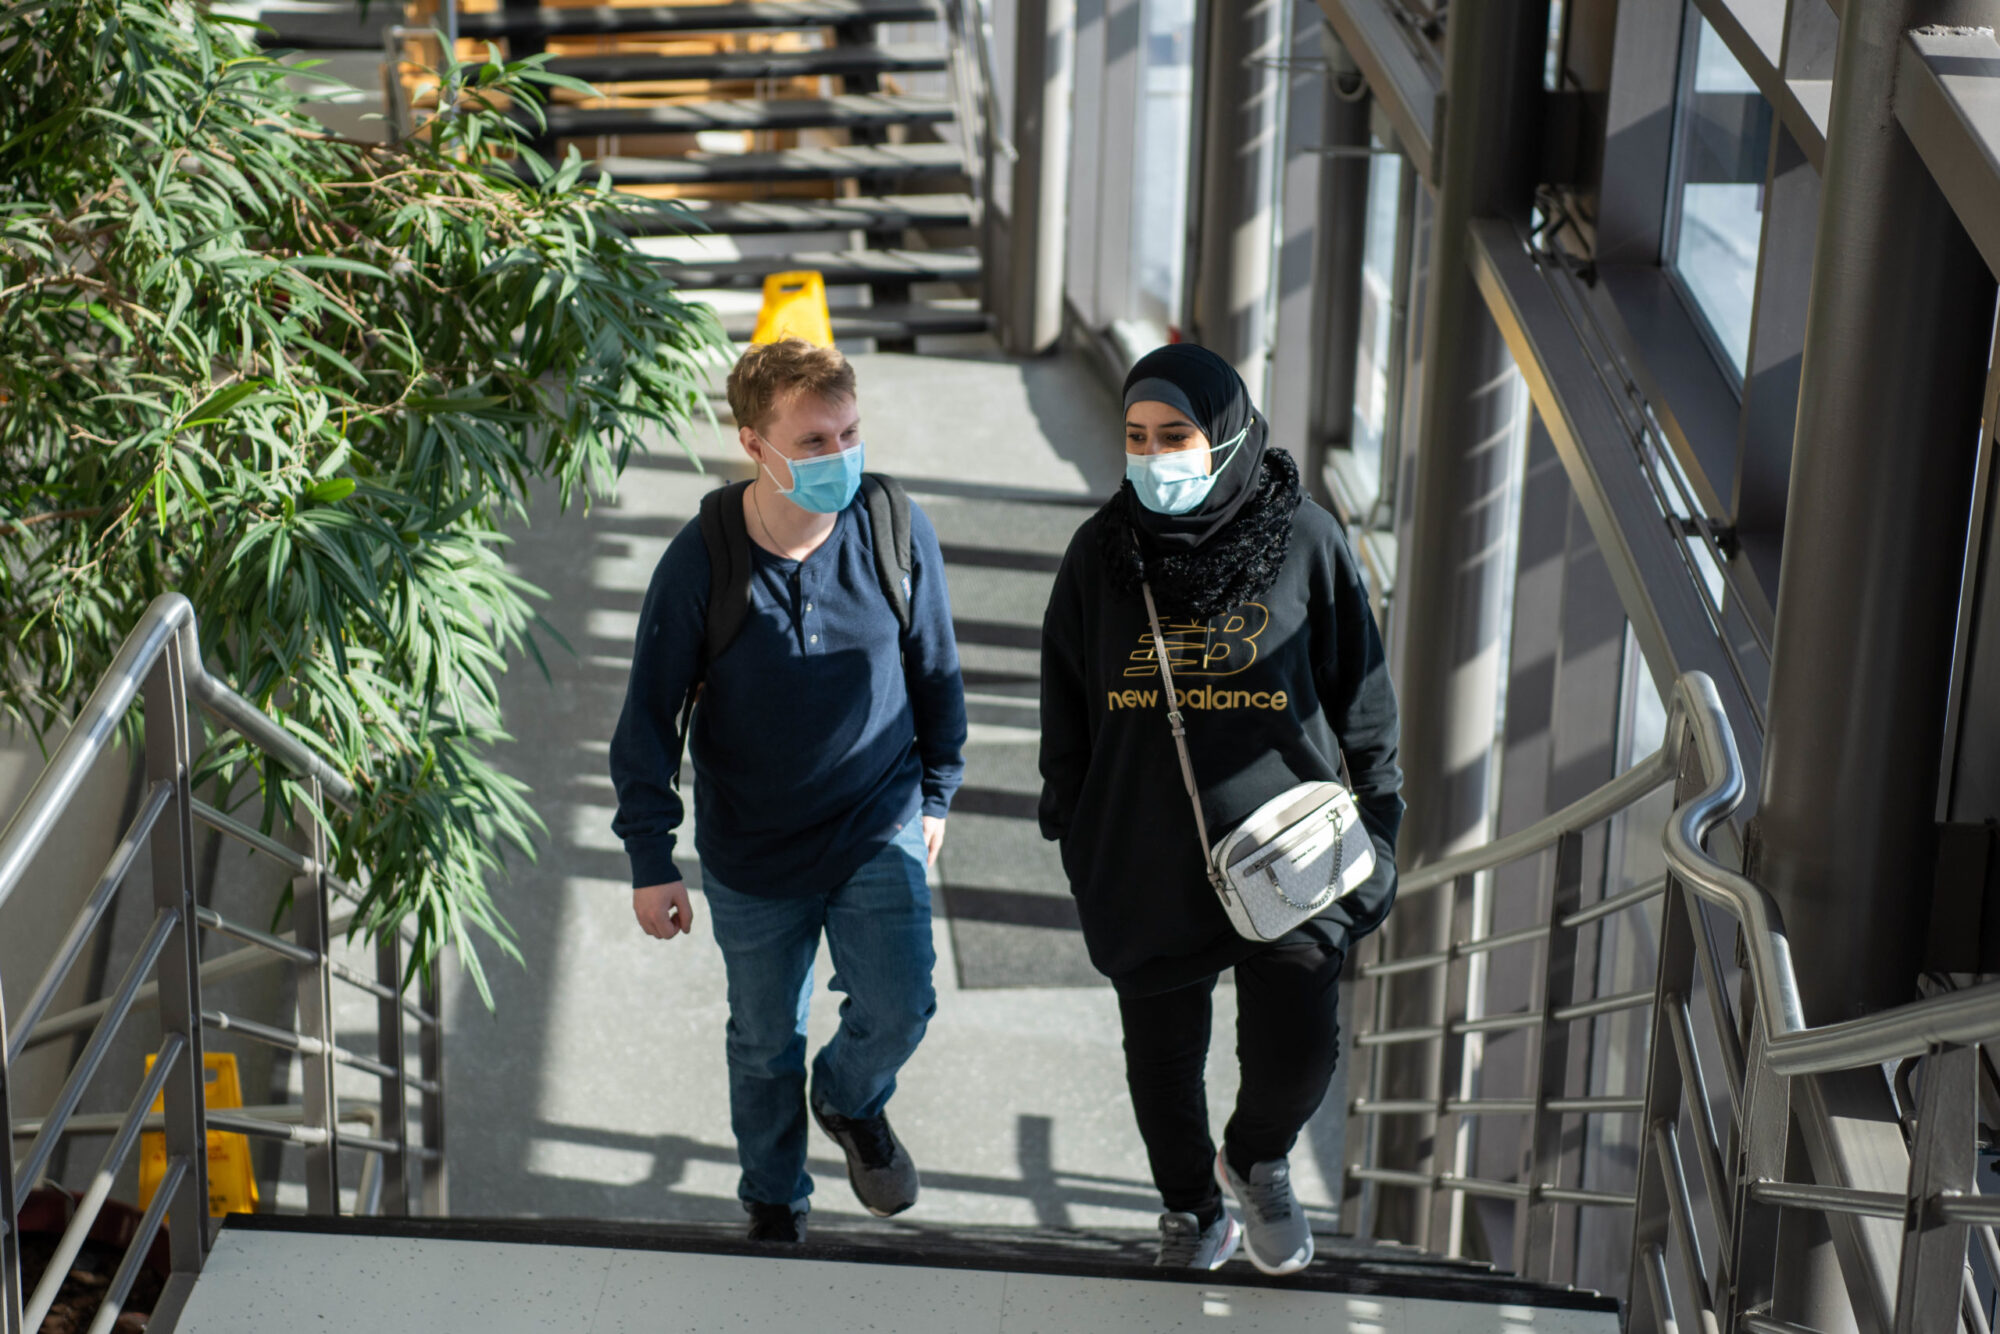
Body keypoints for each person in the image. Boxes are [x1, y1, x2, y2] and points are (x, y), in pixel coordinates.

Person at [1037, 343, 1402, 1275]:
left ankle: (1256, 1159)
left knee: (1297, 1058)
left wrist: (1384, 823)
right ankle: (1191, 1210)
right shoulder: (1101, 556)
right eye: (1138, 438)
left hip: (1289, 855)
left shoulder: (1307, 540)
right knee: (1161, 1066)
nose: (1156, 456)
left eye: (1177, 436)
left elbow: (1362, 699)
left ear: (1229, 433)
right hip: (1144, 858)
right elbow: (1067, 699)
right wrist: (1077, 835)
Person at [609, 338, 967, 1244]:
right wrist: (652, 858)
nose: (840, 456)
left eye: (849, 433)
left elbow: (936, 673)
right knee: (765, 1038)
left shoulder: (894, 525)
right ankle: (774, 1196)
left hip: (874, 818)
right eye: (813, 442)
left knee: (901, 1002)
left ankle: (848, 1101)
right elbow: (649, 720)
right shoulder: (701, 562)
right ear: (754, 447)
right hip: (755, 852)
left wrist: (936, 795)